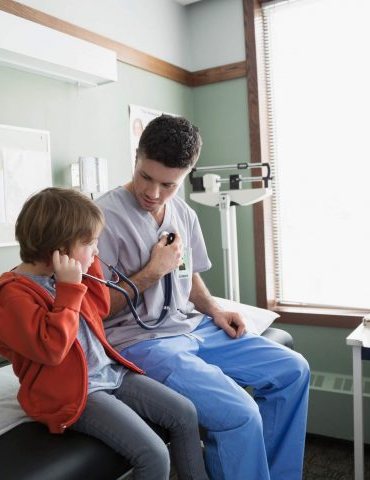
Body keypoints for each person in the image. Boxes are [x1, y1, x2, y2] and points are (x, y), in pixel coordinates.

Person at [96, 115, 310, 480]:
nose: (153, 193)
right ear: (136, 155)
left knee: (294, 370)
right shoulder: (101, 217)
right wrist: (152, 271)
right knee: (240, 414)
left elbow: (188, 276)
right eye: (146, 177)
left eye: (168, 184)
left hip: (192, 327)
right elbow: (95, 309)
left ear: (187, 174)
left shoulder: (183, 213)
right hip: (141, 343)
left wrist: (214, 309)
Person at [0, 187, 208, 480]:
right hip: (73, 393)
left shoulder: (63, 275)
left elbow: (101, 305)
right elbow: (52, 349)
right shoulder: (13, 297)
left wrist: (87, 264)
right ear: (59, 250)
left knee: (184, 414)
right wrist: (69, 289)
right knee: (154, 455)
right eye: (91, 243)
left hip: (108, 374)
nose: (97, 250)